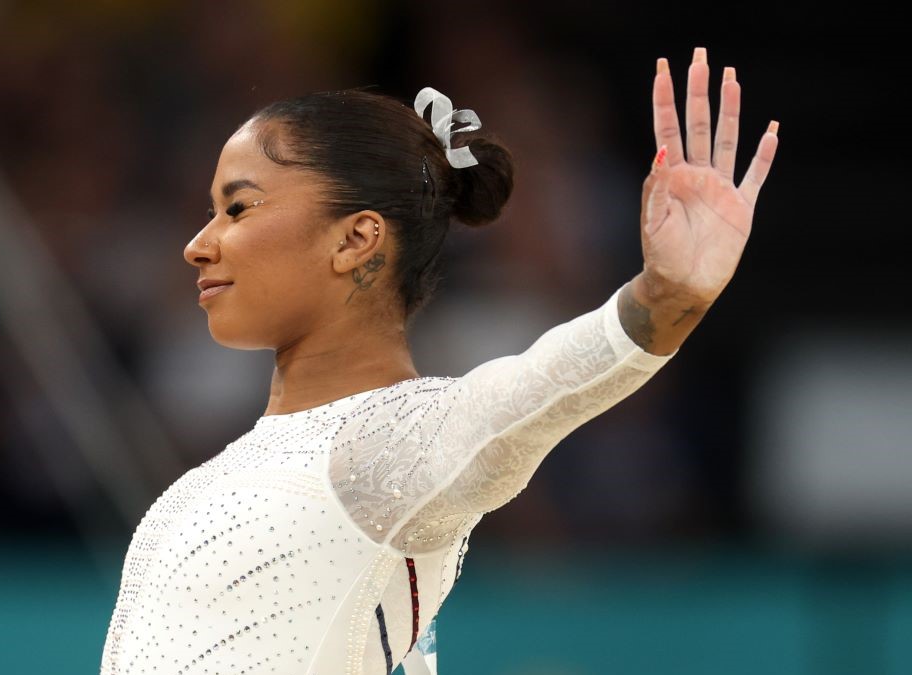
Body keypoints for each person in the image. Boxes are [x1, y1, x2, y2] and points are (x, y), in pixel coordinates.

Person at [100, 46, 779, 675]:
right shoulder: (210, 481)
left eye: (237, 207)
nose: (198, 243)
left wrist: (665, 295)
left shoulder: (395, 442)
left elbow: (539, 388)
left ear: (356, 238)